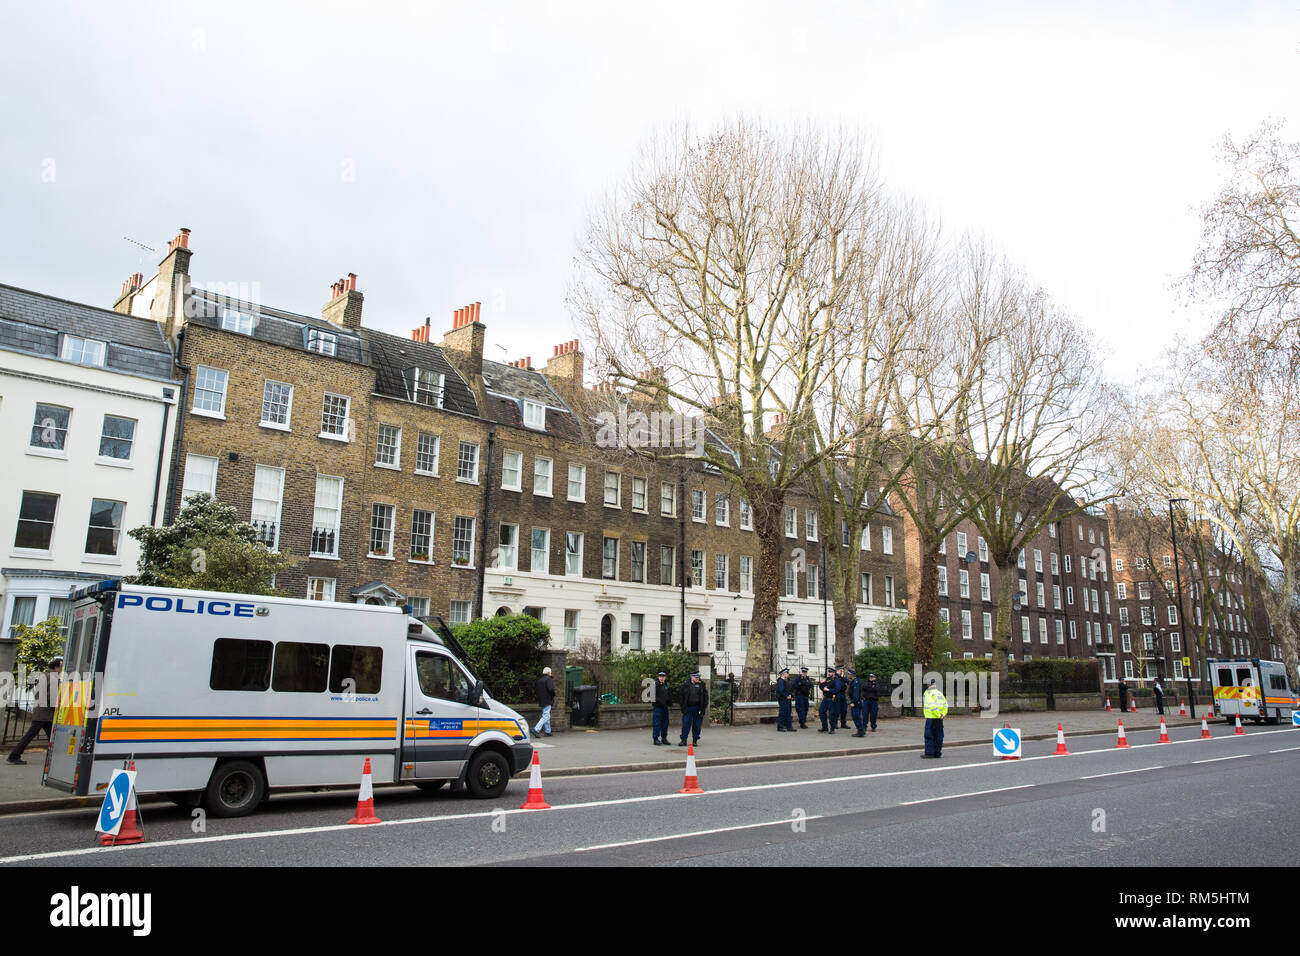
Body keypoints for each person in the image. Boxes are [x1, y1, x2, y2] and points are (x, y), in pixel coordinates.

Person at [7, 658, 62, 765]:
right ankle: (14, 755)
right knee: (32, 736)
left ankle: (56, 757)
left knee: (51, 736)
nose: (62, 669)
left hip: (41, 712)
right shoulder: (53, 678)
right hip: (45, 714)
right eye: (61, 666)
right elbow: (51, 697)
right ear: (56, 668)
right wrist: (57, 707)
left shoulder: (44, 676)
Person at [678, 672, 707, 746]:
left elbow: (705, 697)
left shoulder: (702, 685)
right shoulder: (685, 685)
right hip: (688, 708)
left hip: (698, 708)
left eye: (698, 677)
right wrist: (682, 707)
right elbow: (681, 696)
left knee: (697, 725)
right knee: (685, 724)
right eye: (696, 677)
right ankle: (683, 740)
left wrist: (703, 707)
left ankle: (695, 740)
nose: (697, 678)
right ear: (691, 677)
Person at [922, 678, 948, 758]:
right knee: (939, 735)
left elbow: (931, 705)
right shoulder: (939, 693)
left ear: (929, 684)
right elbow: (945, 705)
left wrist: (937, 714)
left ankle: (929, 753)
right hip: (939, 718)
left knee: (929, 735)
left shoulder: (927, 693)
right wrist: (942, 715)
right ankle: (937, 752)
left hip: (931, 718)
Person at [533, 666, 555, 738]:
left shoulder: (540, 680)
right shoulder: (548, 679)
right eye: (550, 672)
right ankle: (536, 729)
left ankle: (548, 731)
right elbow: (551, 689)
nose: (551, 674)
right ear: (548, 673)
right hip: (547, 699)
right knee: (546, 716)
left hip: (541, 700)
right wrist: (553, 695)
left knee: (546, 714)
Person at [651, 671, 672, 745]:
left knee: (665, 723)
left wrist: (669, 702)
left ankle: (664, 738)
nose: (662, 678)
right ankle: (655, 739)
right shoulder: (655, 685)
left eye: (663, 677)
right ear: (658, 677)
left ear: (665, 677)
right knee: (657, 723)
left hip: (665, 708)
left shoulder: (666, 685)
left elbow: (668, 695)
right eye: (660, 677)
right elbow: (653, 697)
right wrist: (661, 702)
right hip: (658, 707)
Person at [818, 669, 841, 734]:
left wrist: (829, 690)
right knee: (821, 711)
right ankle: (824, 727)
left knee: (832, 714)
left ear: (833, 673)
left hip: (832, 698)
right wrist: (821, 683)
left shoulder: (836, 680)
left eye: (830, 672)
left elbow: (837, 689)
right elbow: (822, 688)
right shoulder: (827, 679)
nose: (829, 673)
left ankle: (832, 728)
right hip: (826, 698)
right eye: (829, 672)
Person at [775, 667, 796, 732]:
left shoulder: (786, 681)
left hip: (788, 699)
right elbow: (781, 691)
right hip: (783, 699)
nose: (788, 674)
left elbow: (790, 689)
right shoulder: (781, 681)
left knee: (788, 713)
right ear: (783, 674)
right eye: (787, 673)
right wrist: (786, 696)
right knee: (783, 713)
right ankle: (780, 727)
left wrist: (791, 695)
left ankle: (789, 726)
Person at [848, 668, 865, 737]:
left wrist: (853, 702)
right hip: (856, 701)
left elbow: (856, 694)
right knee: (856, 716)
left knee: (856, 716)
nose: (848, 675)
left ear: (852, 675)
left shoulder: (856, 682)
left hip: (856, 702)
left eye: (848, 674)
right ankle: (861, 730)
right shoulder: (854, 681)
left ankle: (860, 730)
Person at [837, 664, 850, 729]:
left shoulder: (843, 677)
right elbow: (839, 685)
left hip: (843, 694)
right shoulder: (836, 677)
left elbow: (848, 682)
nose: (842, 671)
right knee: (837, 709)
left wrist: (843, 677)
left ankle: (843, 723)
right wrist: (842, 679)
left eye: (843, 670)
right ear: (838, 670)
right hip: (837, 694)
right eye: (841, 670)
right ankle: (835, 723)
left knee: (844, 710)